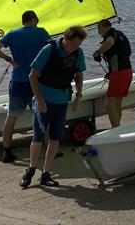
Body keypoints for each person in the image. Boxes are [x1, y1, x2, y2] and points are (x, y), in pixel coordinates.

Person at [21, 25, 88, 188]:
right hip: (43, 100)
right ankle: (30, 170)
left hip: (62, 100)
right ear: (66, 39)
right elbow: (32, 75)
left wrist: (79, 96)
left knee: (55, 138)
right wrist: (40, 100)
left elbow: (79, 75)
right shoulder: (48, 50)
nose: (74, 49)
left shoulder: (78, 53)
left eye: (78, 45)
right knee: (38, 137)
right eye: (73, 45)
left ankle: (46, 173)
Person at [0, 10, 50, 163]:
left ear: (23, 21)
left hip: (16, 82)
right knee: (42, 115)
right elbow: (51, 51)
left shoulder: (13, 33)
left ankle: (7, 152)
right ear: (34, 19)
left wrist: (10, 59)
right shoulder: (41, 32)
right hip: (34, 82)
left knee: (11, 117)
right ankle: (49, 148)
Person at [92, 19, 132, 127]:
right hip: (128, 72)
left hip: (119, 74)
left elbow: (110, 42)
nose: (98, 32)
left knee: (109, 105)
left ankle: (115, 130)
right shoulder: (120, 34)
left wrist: (97, 52)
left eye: (98, 29)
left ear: (102, 27)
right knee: (117, 104)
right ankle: (117, 128)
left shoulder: (111, 35)